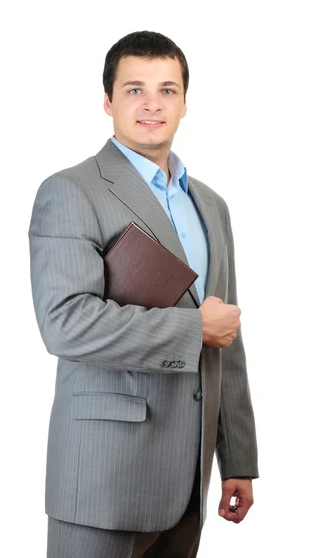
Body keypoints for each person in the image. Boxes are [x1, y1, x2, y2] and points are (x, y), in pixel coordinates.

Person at [28, 30, 259, 558]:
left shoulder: (211, 204)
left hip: (188, 482)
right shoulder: (71, 191)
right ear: (107, 101)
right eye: (134, 90)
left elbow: (227, 337)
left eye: (167, 90)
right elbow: (64, 322)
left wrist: (238, 458)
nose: (152, 104)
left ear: (184, 103)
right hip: (103, 478)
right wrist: (193, 328)